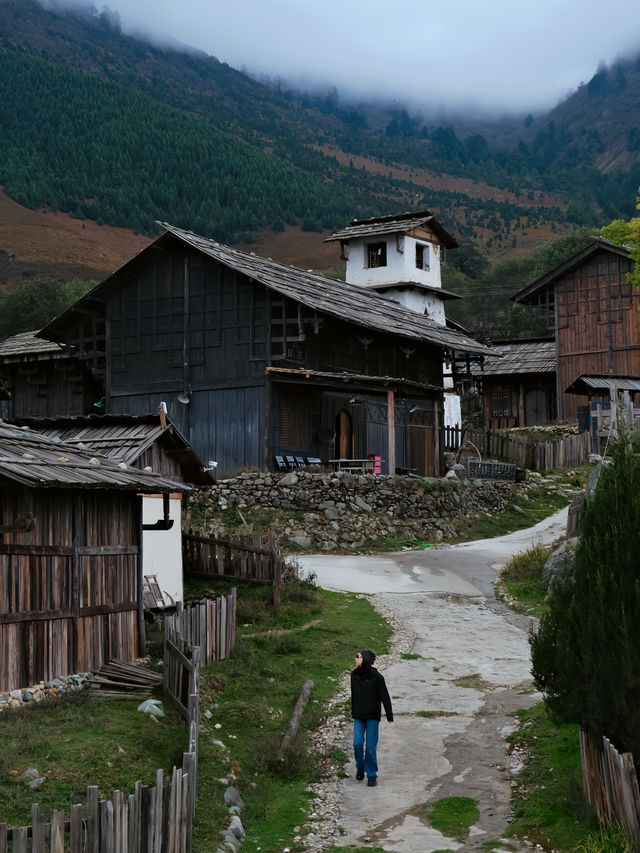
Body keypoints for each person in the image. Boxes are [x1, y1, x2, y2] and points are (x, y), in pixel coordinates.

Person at [350, 648, 393, 787]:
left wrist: (389, 715)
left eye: (358, 657)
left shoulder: (377, 678)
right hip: (358, 716)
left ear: (365, 660)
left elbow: (385, 697)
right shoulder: (354, 676)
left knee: (370, 747)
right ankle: (360, 766)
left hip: (372, 717)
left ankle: (372, 774)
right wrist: (354, 710)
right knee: (357, 744)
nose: (355, 659)